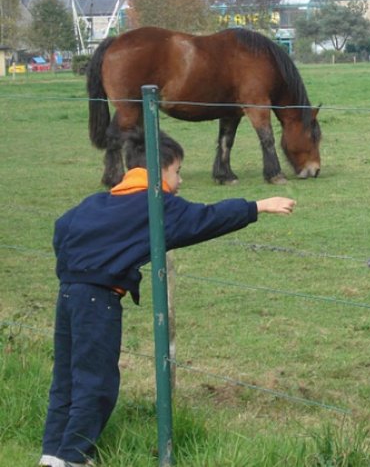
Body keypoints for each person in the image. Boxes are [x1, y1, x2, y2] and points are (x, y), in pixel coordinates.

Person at [40, 132, 295, 467]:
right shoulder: (157, 204)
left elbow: (63, 228)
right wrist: (257, 206)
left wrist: (80, 268)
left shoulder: (96, 203)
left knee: (67, 377)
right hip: (97, 301)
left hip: (69, 293)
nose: (181, 179)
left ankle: (52, 454)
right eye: (177, 172)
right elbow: (205, 219)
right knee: (96, 382)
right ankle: (73, 457)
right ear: (161, 173)